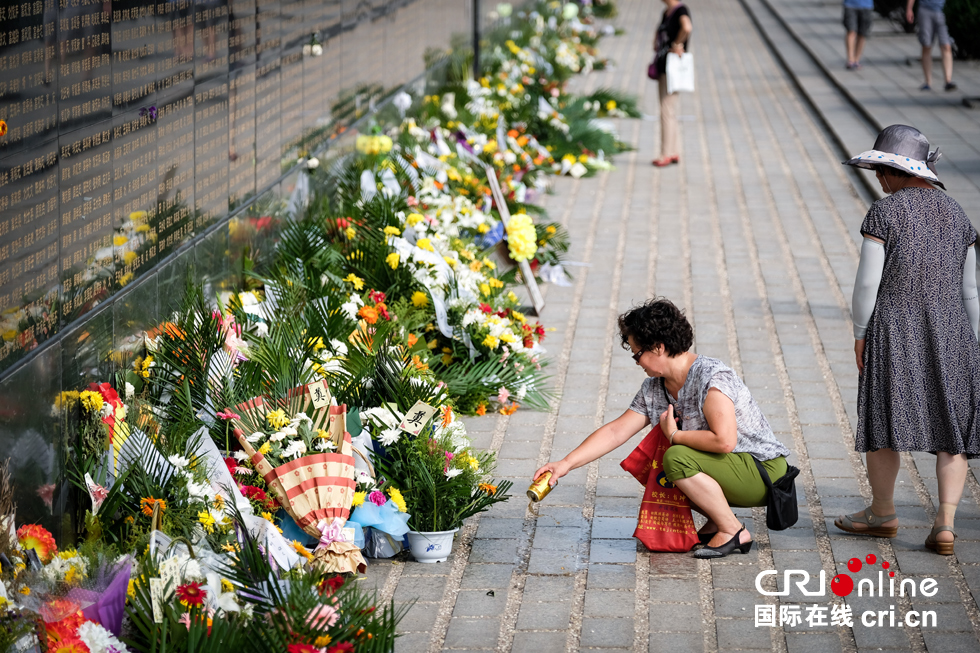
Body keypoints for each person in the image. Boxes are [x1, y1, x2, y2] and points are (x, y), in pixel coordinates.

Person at [533, 299, 791, 558]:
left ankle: (732, 530)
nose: (636, 362)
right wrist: (565, 464)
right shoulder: (655, 387)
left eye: (637, 354)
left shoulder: (712, 378)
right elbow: (616, 431)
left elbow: (725, 442)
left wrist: (675, 435)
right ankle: (717, 520)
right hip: (732, 468)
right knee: (659, 462)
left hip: (764, 473)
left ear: (658, 347)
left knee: (675, 456)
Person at [837, 125, 978, 555]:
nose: (879, 177)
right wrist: (975, 343)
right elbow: (970, 289)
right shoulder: (959, 216)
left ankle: (883, 513)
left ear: (903, 172)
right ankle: (945, 523)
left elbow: (867, 285)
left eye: (884, 168)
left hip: (894, 328)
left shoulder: (884, 213)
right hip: (953, 331)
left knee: (883, 421)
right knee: (951, 429)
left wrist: (860, 333)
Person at [652, 0, 692, 168]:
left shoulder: (680, 10)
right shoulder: (667, 11)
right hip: (664, 65)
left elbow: (687, 27)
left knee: (666, 110)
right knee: (670, 110)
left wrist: (677, 43)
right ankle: (673, 151)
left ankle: (665, 153)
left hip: (673, 67)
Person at [906, 0, 955, 91]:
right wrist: (909, 9)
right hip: (925, 10)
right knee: (926, 46)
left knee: (946, 46)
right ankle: (928, 82)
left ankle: (948, 81)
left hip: (942, 10)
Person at [842, 0, 873, 69]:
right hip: (850, 5)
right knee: (851, 31)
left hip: (867, 6)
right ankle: (850, 59)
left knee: (862, 34)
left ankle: (856, 60)